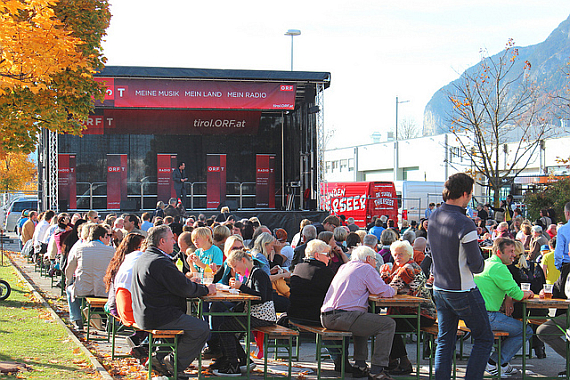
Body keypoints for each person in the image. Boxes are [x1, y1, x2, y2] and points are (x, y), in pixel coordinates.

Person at [427, 173, 493, 380]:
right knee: (484, 338)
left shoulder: (434, 215)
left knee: (445, 340)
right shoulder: (465, 223)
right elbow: (476, 266)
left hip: (440, 287)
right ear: (465, 194)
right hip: (462, 289)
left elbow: (430, 252)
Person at [131, 225, 215, 378]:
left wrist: (189, 282)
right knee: (201, 328)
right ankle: (174, 364)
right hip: (159, 315)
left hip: (146, 313)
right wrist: (206, 289)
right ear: (162, 241)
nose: (174, 242)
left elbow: (176, 284)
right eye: (171, 239)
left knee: (187, 326)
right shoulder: (159, 261)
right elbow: (185, 289)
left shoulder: (146, 257)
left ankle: (158, 360)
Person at [320, 246, 396, 380]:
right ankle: (377, 369)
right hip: (342, 316)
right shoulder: (366, 268)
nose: (376, 263)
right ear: (368, 259)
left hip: (326, 316)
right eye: (374, 260)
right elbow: (382, 290)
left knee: (364, 318)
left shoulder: (345, 267)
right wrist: (394, 289)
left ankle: (360, 365)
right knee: (388, 324)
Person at [474, 238, 534, 376]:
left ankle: (503, 363)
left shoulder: (487, 263)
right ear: (500, 252)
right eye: (511, 251)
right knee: (526, 331)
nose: (514, 254)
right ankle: (493, 362)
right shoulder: (499, 267)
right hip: (488, 316)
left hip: (477, 314)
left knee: (514, 326)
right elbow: (517, 294)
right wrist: (529, 293)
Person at [212, 249, 276, 376]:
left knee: (225, 328)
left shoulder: (259, 273)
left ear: (243, 260)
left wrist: (241, 287)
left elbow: (260, 296)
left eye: (235, 266)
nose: (235, 270)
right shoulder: (252, 273)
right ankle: (242, 360)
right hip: (255, 313)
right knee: (225, 325)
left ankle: (233, 365)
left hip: (262, 316)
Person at [380, 240, 436, 375]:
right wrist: (385, 275)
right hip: (416, 312)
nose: (397, 257)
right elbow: (392, 285)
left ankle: (403, 362)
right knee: (389, 323)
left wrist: (384, 278)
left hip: (422, 314)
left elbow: (390, 289)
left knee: (388, 325)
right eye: (395, 254)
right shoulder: (405, 267)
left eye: (401, 254)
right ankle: (393, 360)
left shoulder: (408, 268)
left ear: (409, 254)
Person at [65, 224, 115, 330]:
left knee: (69, 290)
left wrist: (68, 282)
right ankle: (111, 322)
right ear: (101, 237)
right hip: (104, 289)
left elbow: (69, 269)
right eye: (107, 236)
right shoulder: (111, 251)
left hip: (83, 288)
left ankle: (77, 319)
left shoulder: (79, 249)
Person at [536, 261, 570, 377]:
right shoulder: (566, 268)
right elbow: (557, 287)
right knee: (544, 332)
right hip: (566, 313)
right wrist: (545, 291)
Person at [554, 202, 570, 270]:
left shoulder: (562, 230)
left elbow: (558, 252)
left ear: (567, 213)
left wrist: (559, 266)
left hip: (568, 264)